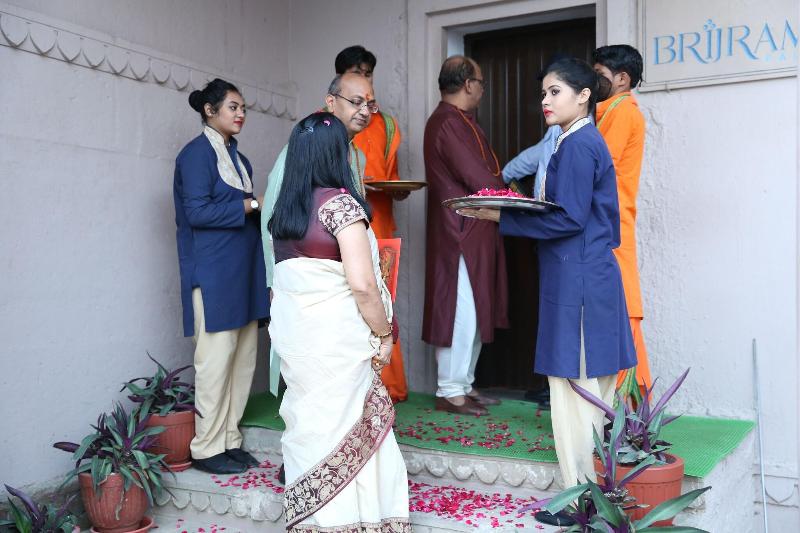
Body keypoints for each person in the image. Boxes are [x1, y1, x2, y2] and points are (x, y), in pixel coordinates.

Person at [462, 58, 636, 526]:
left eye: (555, 91)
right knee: (587, 393)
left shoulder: (578, 144)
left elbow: (569, 218)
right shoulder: (572, 140)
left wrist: (502, 216)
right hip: (582, 275)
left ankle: (580, 501)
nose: (545, 100)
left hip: (578, 279)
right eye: (543, 92)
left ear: (583, 96)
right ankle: (589, 495)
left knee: (574, 394)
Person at [268, 112, 410, 532]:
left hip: (299, 340)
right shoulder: (340, 205)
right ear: (339, 155)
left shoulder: (284, 213)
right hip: (337, 343)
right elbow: (364, 284)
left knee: (312, 427)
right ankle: (356, 520)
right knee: (349, 426)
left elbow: (287, 284)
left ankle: (314, 521)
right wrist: (384, 334)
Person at [173, 78, 269, 475]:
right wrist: (249, 205)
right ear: (209, 111)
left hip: (242, 272)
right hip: (212, 274)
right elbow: (196, 213)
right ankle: (206, 447)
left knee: (242, 360)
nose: (240, 114)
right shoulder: (195, 155)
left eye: (243, 107)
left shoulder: (240, 159)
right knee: (213, 362)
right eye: (232, 107)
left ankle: (228, 439)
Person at [261, 73, 378, 396]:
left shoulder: (357, 154)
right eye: (356, 102)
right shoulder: (300, 150)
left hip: (346, 287)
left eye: (371, 104)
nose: (365, 111)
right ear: (330, 102)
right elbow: (272, 219)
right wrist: (276, 282)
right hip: (308, 291)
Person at [422, 55, 509, 416]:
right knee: (460, 311)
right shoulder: (446, 122)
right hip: (458, 231)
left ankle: (464, 385)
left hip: (475, 227)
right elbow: (478, 178)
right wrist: (510, 195)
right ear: (469, 84)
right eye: (482, 82)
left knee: (475, 310)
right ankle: (449, 390)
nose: (483, 90)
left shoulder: (461, 120)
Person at [335, 45, 409, 403]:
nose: (364, 79)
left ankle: (388, 388)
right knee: (344, 303)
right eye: (357, 72)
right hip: (338, 230)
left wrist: (397, 190)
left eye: (368, 72)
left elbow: (391, 179)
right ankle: (350, 390)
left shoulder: (388, 125)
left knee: (382, 301)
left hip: (378, 225)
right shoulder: (324, 121)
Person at [593, 45, 651, 394]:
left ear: (622, 79)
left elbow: (598, 165)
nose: (592, 80)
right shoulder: (609, 110)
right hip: (607, 226)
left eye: (599, 74)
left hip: (612, 227)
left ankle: (627, 413)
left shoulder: (623, 111)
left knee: (622, 318)